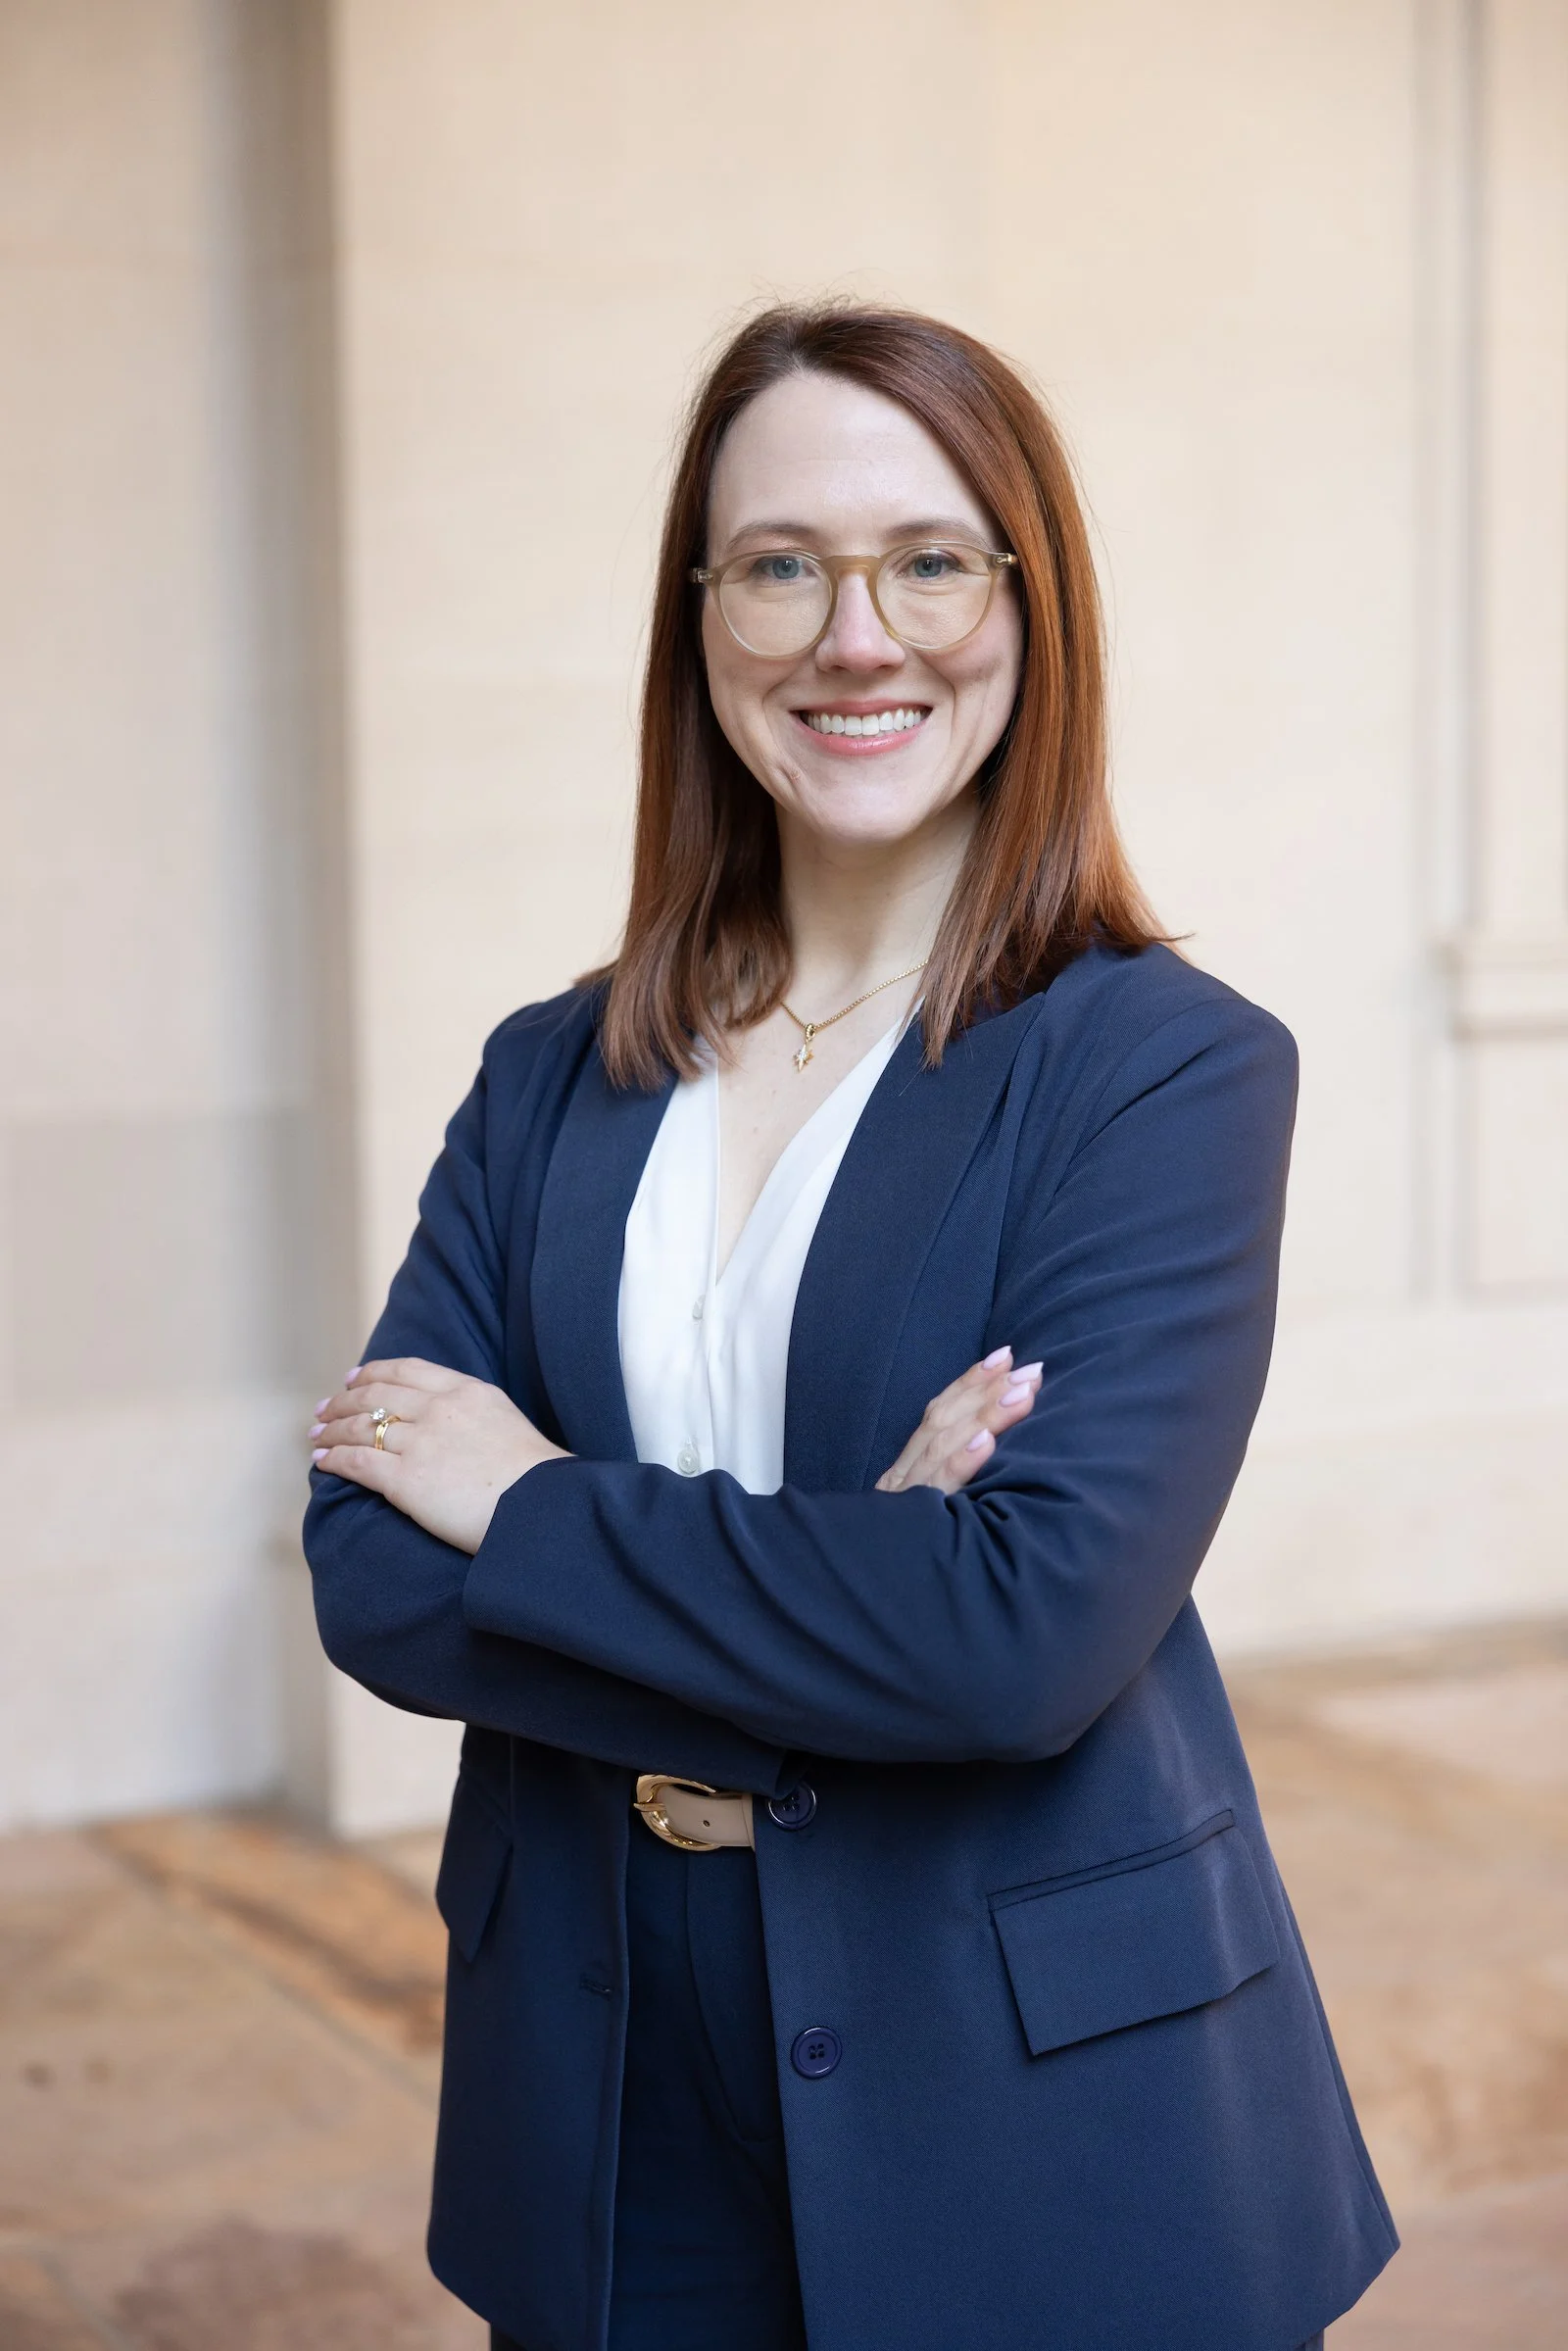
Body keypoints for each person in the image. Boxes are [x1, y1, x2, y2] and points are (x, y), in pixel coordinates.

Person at [303, 302, 1395, 2351]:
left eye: (926, 558)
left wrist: (532, 1500)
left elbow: (1020, 1633)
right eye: (781, 562)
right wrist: (854, 1586)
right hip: (601, 2067)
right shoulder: (549, 1072)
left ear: (1024, 601)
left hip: (1026, 2083)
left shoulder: (1157, 1070)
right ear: (698, 617)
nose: (854, 634)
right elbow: (369, 1570)